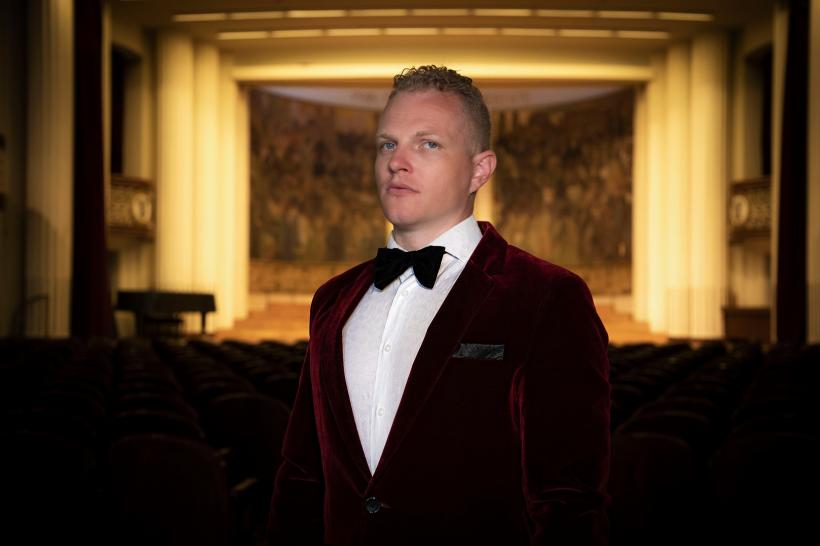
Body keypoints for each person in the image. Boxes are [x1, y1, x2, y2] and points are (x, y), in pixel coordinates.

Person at [267, 65, 611, 546]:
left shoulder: (549, 296)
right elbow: (301, 475)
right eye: (388, 143)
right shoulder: (332, 299)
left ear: (479, 170)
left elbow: (568, 501)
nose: (397, 161)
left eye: (427, 143)